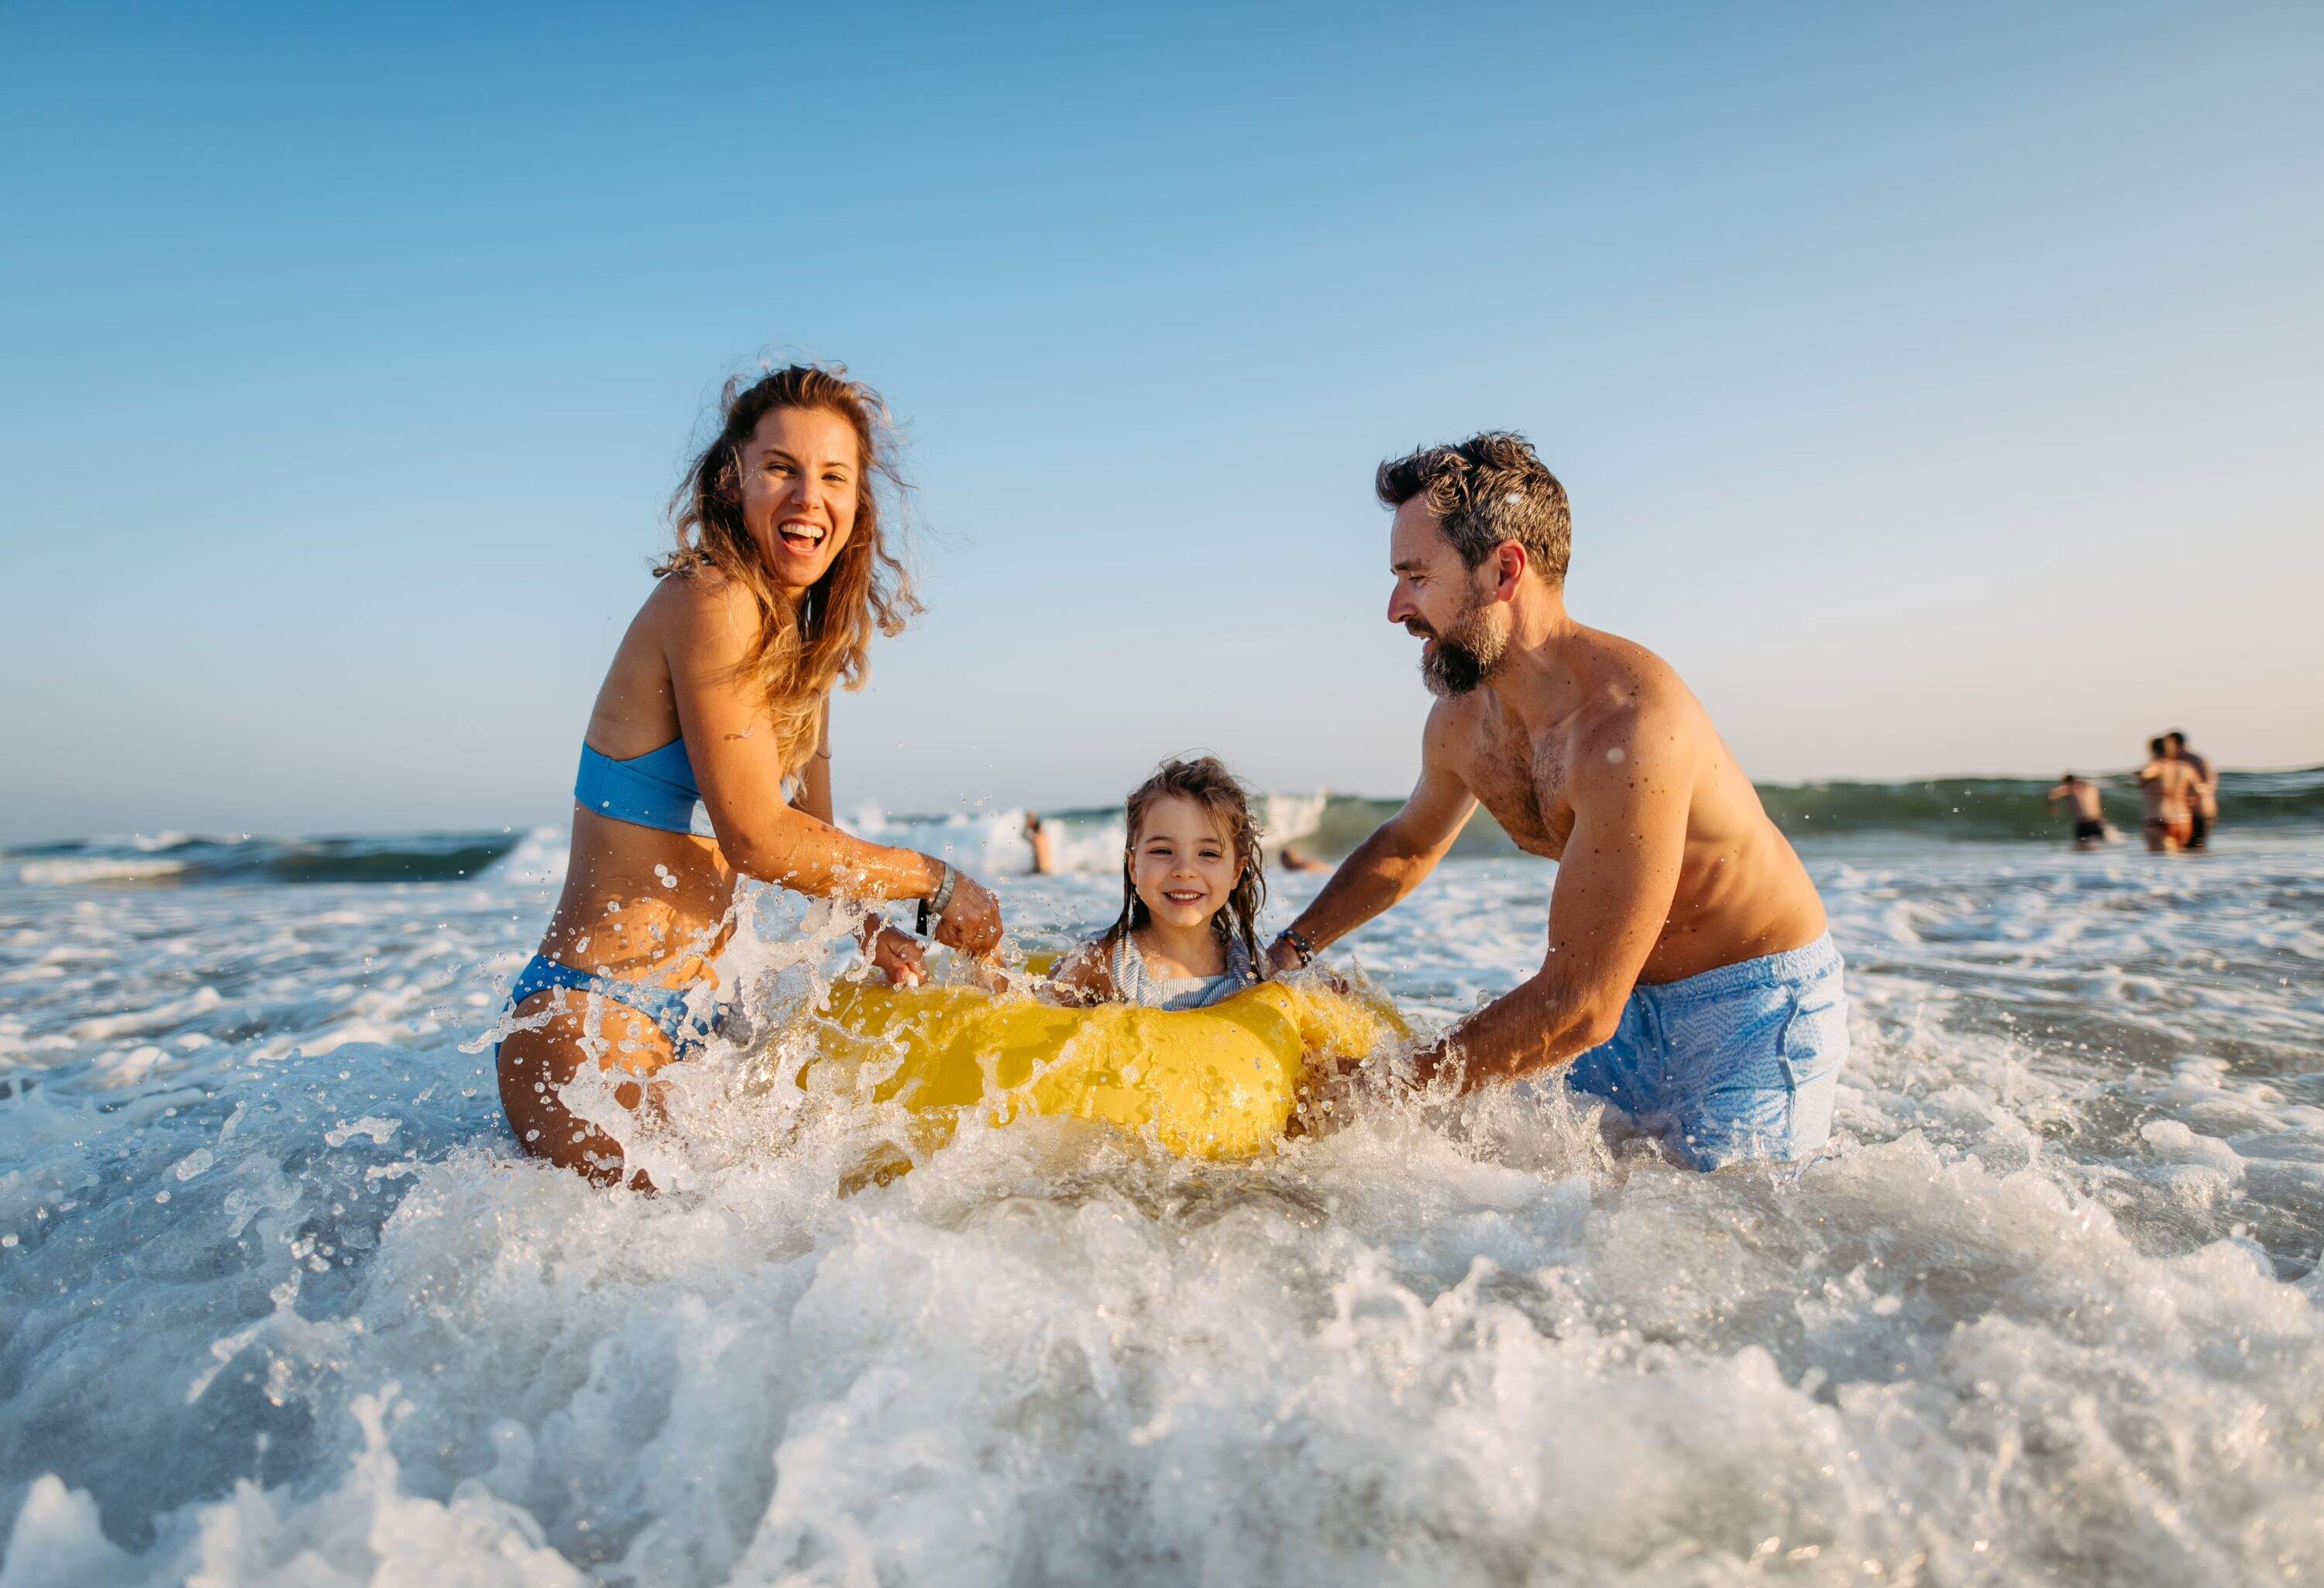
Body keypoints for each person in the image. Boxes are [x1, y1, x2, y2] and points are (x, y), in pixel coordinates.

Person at [1267, 433, 1844, 1170]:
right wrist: (1288, 951)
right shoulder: (1464, 717)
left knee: (1718, 1233)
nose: (1394, 608)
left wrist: (1391, 1088)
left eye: (1415, 576)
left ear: (1504, 570)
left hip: (1748, 1014)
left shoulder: (1632, 730)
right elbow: (1409, 845)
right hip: (1623, 1004)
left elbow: (1580, 1006)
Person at [497, 364, 1003, 1186]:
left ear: (857, 506)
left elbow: (816, 850)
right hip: (593, 1022)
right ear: (733, 481)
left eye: (833, 476)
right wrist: (934, 880)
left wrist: (874, 932)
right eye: (782, 469)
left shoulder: (800, 649)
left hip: (695, 1025)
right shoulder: (712, 598)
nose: (809, 497)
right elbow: (757, 836)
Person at [1051, 758, 1270, 1009]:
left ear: (1235, 872)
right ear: (1134, 866)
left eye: (1208, 853)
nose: (1184, 871)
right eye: (1163, 851)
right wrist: (994, 960)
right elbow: (1029, 1018)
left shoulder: (1249, 967)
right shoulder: (1103, 961)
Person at [2137, 735, 2201, 853]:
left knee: (2159, 864)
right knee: (2176, 864)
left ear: (2153, 750)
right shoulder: (2185, 767)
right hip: (2183, 821)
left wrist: (2141, 776)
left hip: (2159, 820)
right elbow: (2199, 791)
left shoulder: (2156, 766)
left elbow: (2145, 774)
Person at [2164, 731, 2217, 851]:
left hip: (2200, 812)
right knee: (2183, 850)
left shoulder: (2196, 760)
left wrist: (2193, 796)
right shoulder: (2172, 761)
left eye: (2168, 744)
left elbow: (2209, 786)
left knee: (2196, 849)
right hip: (2183, 815)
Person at [2046, 772, 2109, 850]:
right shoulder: (2090, 787)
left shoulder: (2070, 788)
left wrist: (2053, 807)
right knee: (2099, 847)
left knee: (2080, 850)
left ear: (2067, 782)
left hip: (2083, 825)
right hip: (2097, 823)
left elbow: (2052, 794)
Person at [1023, 811, 1056, 875]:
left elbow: (1023, 835)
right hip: (1046, 871)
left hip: (1040, 871)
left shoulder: (1036, 839)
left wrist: (1027, 825)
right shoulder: (1044, 837)